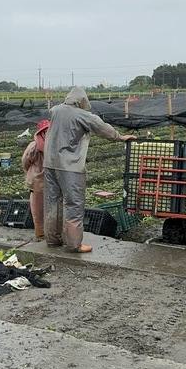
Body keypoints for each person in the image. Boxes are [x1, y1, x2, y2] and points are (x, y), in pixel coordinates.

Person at [43, 87, 136, 253]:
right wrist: (119, 137)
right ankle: (73, 245)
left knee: (52, 202)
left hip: (49, 163)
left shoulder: (55, 110)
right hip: (69, 166)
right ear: (81, 101)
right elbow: (101, 127)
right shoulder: (81, 114)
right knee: (73, 204)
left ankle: (52, 239)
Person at [21, 119, 50, 241]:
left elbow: (25, 161)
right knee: (51, 208)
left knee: (37, 210)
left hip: (36, 183)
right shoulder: (55, 144)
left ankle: (40, 234)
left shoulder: (34, 146)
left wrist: (30, 172)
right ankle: (52, 233)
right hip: (51, 181)